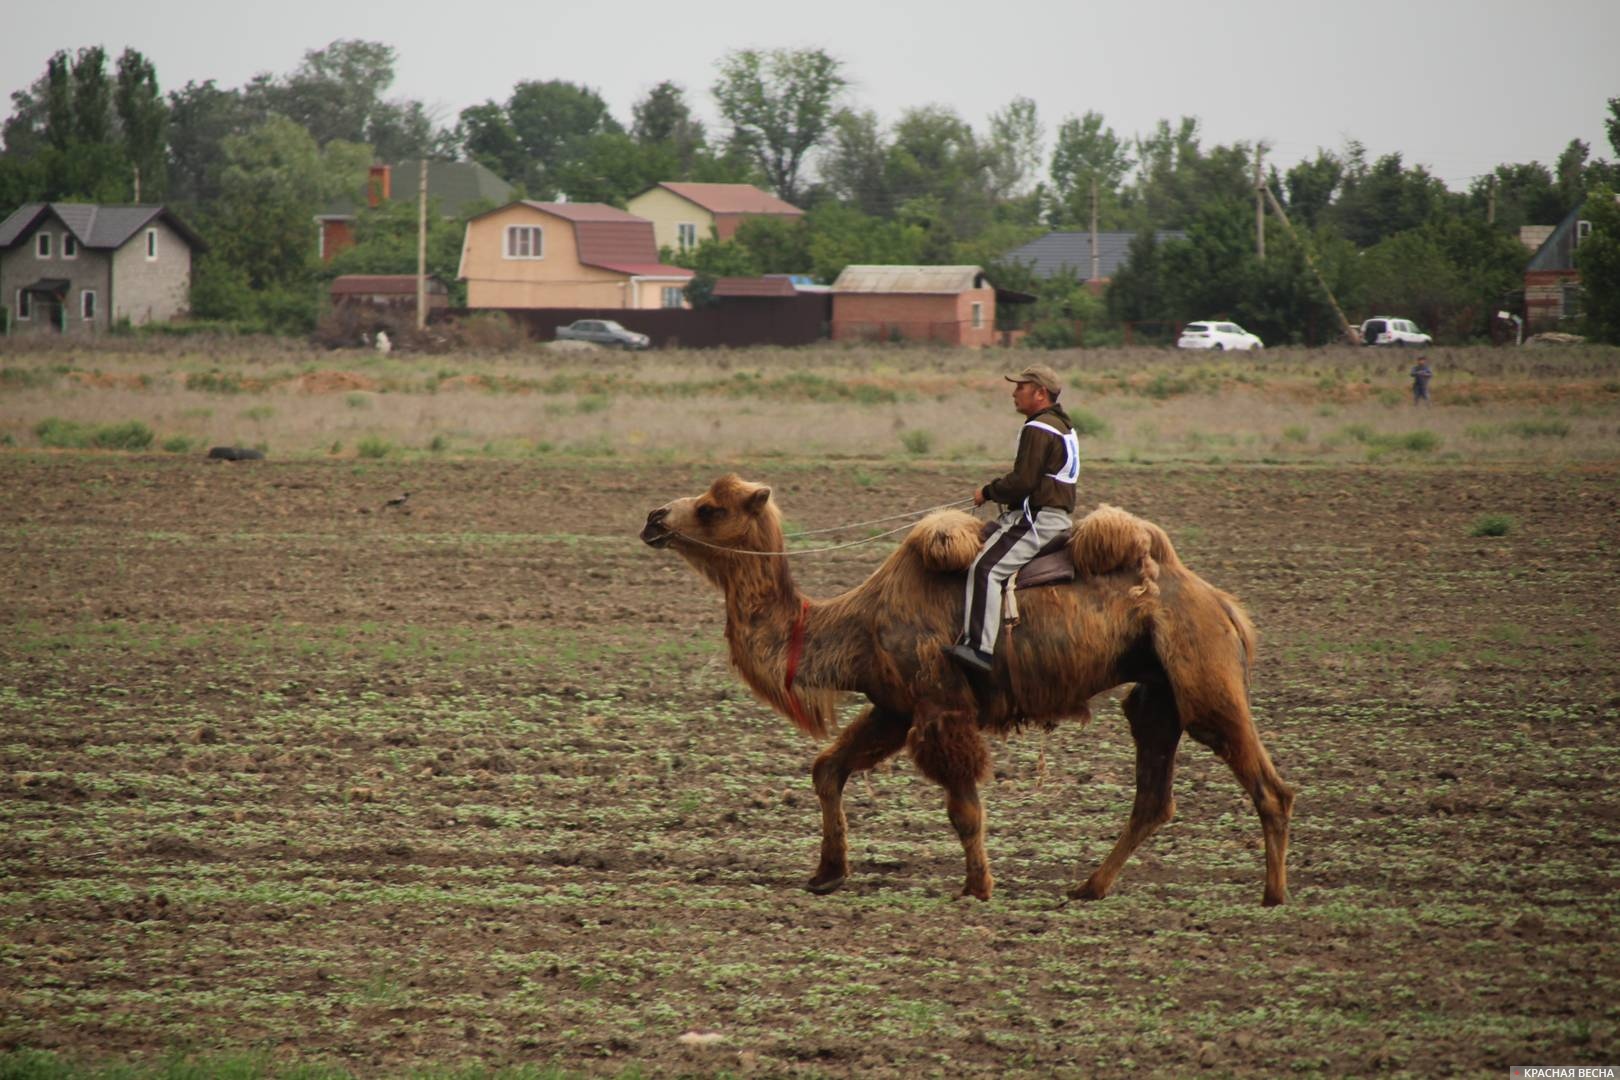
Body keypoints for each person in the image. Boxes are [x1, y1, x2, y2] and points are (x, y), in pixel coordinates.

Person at [945, 364, 1079, 675]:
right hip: (1049, 514)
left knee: (985, 568)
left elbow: (1023, 481)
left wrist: (988, 491)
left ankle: (979, 649)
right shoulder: (1062, 425)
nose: (1014, 393)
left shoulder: (1038, 428)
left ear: (1040, 393)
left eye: (1021, 387)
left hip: (1041, 520)